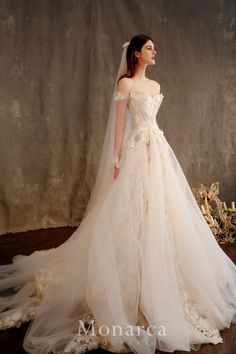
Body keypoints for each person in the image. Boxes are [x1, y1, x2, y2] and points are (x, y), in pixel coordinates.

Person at [0, 34, 236, 354]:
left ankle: (164, 275)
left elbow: (152, 122)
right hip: (136, 151)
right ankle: (130, 280)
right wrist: (116, 158)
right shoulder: (125, 85)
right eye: (149, 48)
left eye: (154, 48)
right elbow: (120, 125)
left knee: (165, 211)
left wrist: (153, 149)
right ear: (136, 54)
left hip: (159, 151)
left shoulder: (154, 87)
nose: (155, 52)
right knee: (132, 212)